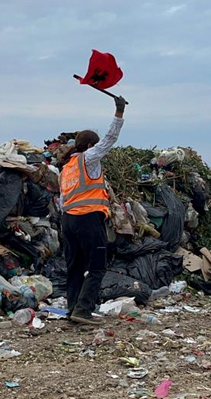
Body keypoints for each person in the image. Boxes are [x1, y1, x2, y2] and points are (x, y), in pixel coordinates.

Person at [59, 95, 127, 325]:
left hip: (68, 221)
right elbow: (109, 140)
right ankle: (83, 310)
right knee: (97, 266)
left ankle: (73, 309)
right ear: (89, 146)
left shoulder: (67, 168)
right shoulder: (88, 158)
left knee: (75, 267)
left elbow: (62, 199)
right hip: (88, 218)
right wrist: (119, 113)